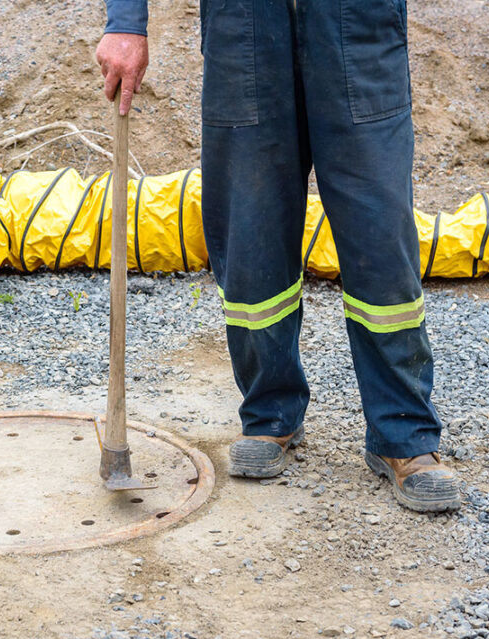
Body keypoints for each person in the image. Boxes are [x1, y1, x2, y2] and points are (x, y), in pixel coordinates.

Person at [96, 0, 461, 512]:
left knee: (381, 237)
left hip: (357, 28)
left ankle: (404, 435)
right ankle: (270, 415)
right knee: (252, 232)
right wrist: (126, 23)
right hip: (243, 30)